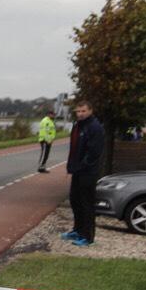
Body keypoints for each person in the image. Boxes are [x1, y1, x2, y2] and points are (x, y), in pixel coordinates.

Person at [63, 99, 104, 247]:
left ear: (90, 111)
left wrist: (82, 166)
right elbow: (74, 149)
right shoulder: (78, 125)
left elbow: (94, 152)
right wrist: (71, 167)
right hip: (77, 171)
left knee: (87, 204)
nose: (80, 114)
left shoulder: (95, 127)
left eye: (83, 111)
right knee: (75, 201)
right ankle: (78, 230)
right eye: (78, 111)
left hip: (88, 172)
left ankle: (88, 237)